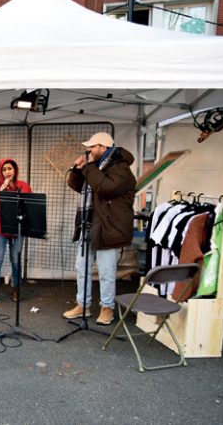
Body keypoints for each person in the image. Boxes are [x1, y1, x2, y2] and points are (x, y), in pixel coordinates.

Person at [63, 132, 136, 325]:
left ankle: (107, 308)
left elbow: (106, 188)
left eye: (91, 147)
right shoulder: (95, 168)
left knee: (106, 271)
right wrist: (78, 170)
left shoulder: (121, 169)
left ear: (103, 147)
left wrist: (88, 167)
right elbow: (76, 185)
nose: (88, 150)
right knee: (82, 269)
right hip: (89, 223)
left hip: (109, 228)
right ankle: (83, 305)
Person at [0, 159, 32, 305]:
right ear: (0, 172)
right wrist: (2, 192)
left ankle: (16, 288)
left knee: (16, 260)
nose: (7, 172)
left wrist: (14, 189)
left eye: (10, 168)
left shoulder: (24, 186)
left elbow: (27, 207)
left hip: (17, 229)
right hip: (0, 230)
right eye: (4, 169)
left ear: (15, 170)